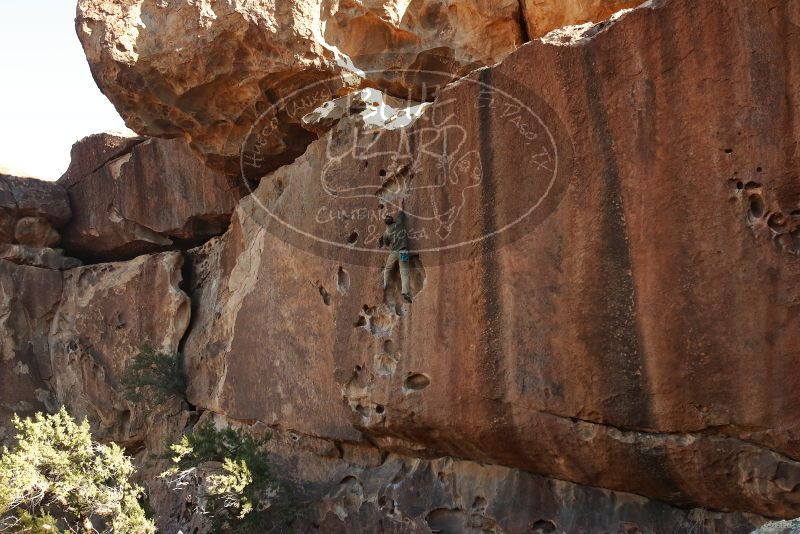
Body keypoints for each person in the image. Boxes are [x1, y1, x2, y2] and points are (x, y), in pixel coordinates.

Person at [379, 209, 413, 303]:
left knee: (387, 269)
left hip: (394, 253)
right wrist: (401, 205)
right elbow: (401, 214)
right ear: (392, 220)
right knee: (404, 273)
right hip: (403, 252)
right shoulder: (398, 223)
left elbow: (386, 243)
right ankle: (405, 292)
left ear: (386, 224)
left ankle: (385, 284)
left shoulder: (386, 233)